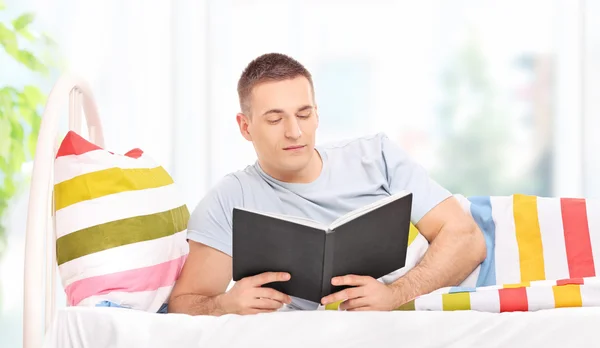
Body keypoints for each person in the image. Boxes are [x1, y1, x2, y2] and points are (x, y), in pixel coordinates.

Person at [168, 53, 486, 316]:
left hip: (468, 264)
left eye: (304, 115)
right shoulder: (227, 199)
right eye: (275, 119)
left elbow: (468, 239)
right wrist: (224, 304)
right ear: (245, 126)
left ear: (317, 115)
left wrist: (394, 295)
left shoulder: (376, 156)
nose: (294, 132)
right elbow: (184, 302)